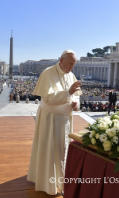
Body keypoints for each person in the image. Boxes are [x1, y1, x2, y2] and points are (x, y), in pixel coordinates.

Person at [27, 50, 82, 195]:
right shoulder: (48, 73)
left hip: (65, 119)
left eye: (74, 64)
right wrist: (68, 93)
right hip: (50, 119)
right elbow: (48, 99)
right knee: (50, 151)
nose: (71, 67)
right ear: (61, 60)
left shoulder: (71, 75)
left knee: (63, 151)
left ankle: (62, 182)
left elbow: (76, 96)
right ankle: (49, 182)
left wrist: (76, 104)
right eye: (70, 63)